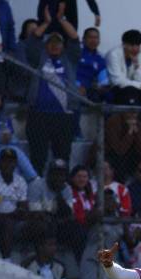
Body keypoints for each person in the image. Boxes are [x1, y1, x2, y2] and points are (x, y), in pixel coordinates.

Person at [23, 15, 81, 176]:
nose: (55, 46)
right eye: (51, 43)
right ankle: (38, 194)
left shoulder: (69, 59)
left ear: (63, 46)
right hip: (38, 115)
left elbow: (75, 39)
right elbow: (33, 40)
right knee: (38, 158)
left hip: (64, 117)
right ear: (46, 45)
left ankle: (60, 192)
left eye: (58, 43)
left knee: (62, 159)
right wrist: (47, 22)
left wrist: (61, 19)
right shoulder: (38, 58)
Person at [106, 29, 141, 100]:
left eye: (138, 45)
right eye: (132, 45)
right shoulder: (113, 55)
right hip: (114, 89)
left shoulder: (139, 55)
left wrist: (136, 67)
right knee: (130, 92)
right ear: (124, 44)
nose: (135, 49)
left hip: (133, 89)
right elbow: (117, 81)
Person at [76, 27, 109, 103]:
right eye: (90, 37)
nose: (93, 40)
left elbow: (103, 80)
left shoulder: (100, 58)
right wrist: (76, 85)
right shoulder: (76, 52)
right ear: (83, 39)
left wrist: (103, 87)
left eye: (96, 38)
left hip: (89, 89)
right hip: (72, 87)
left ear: (99, 40)